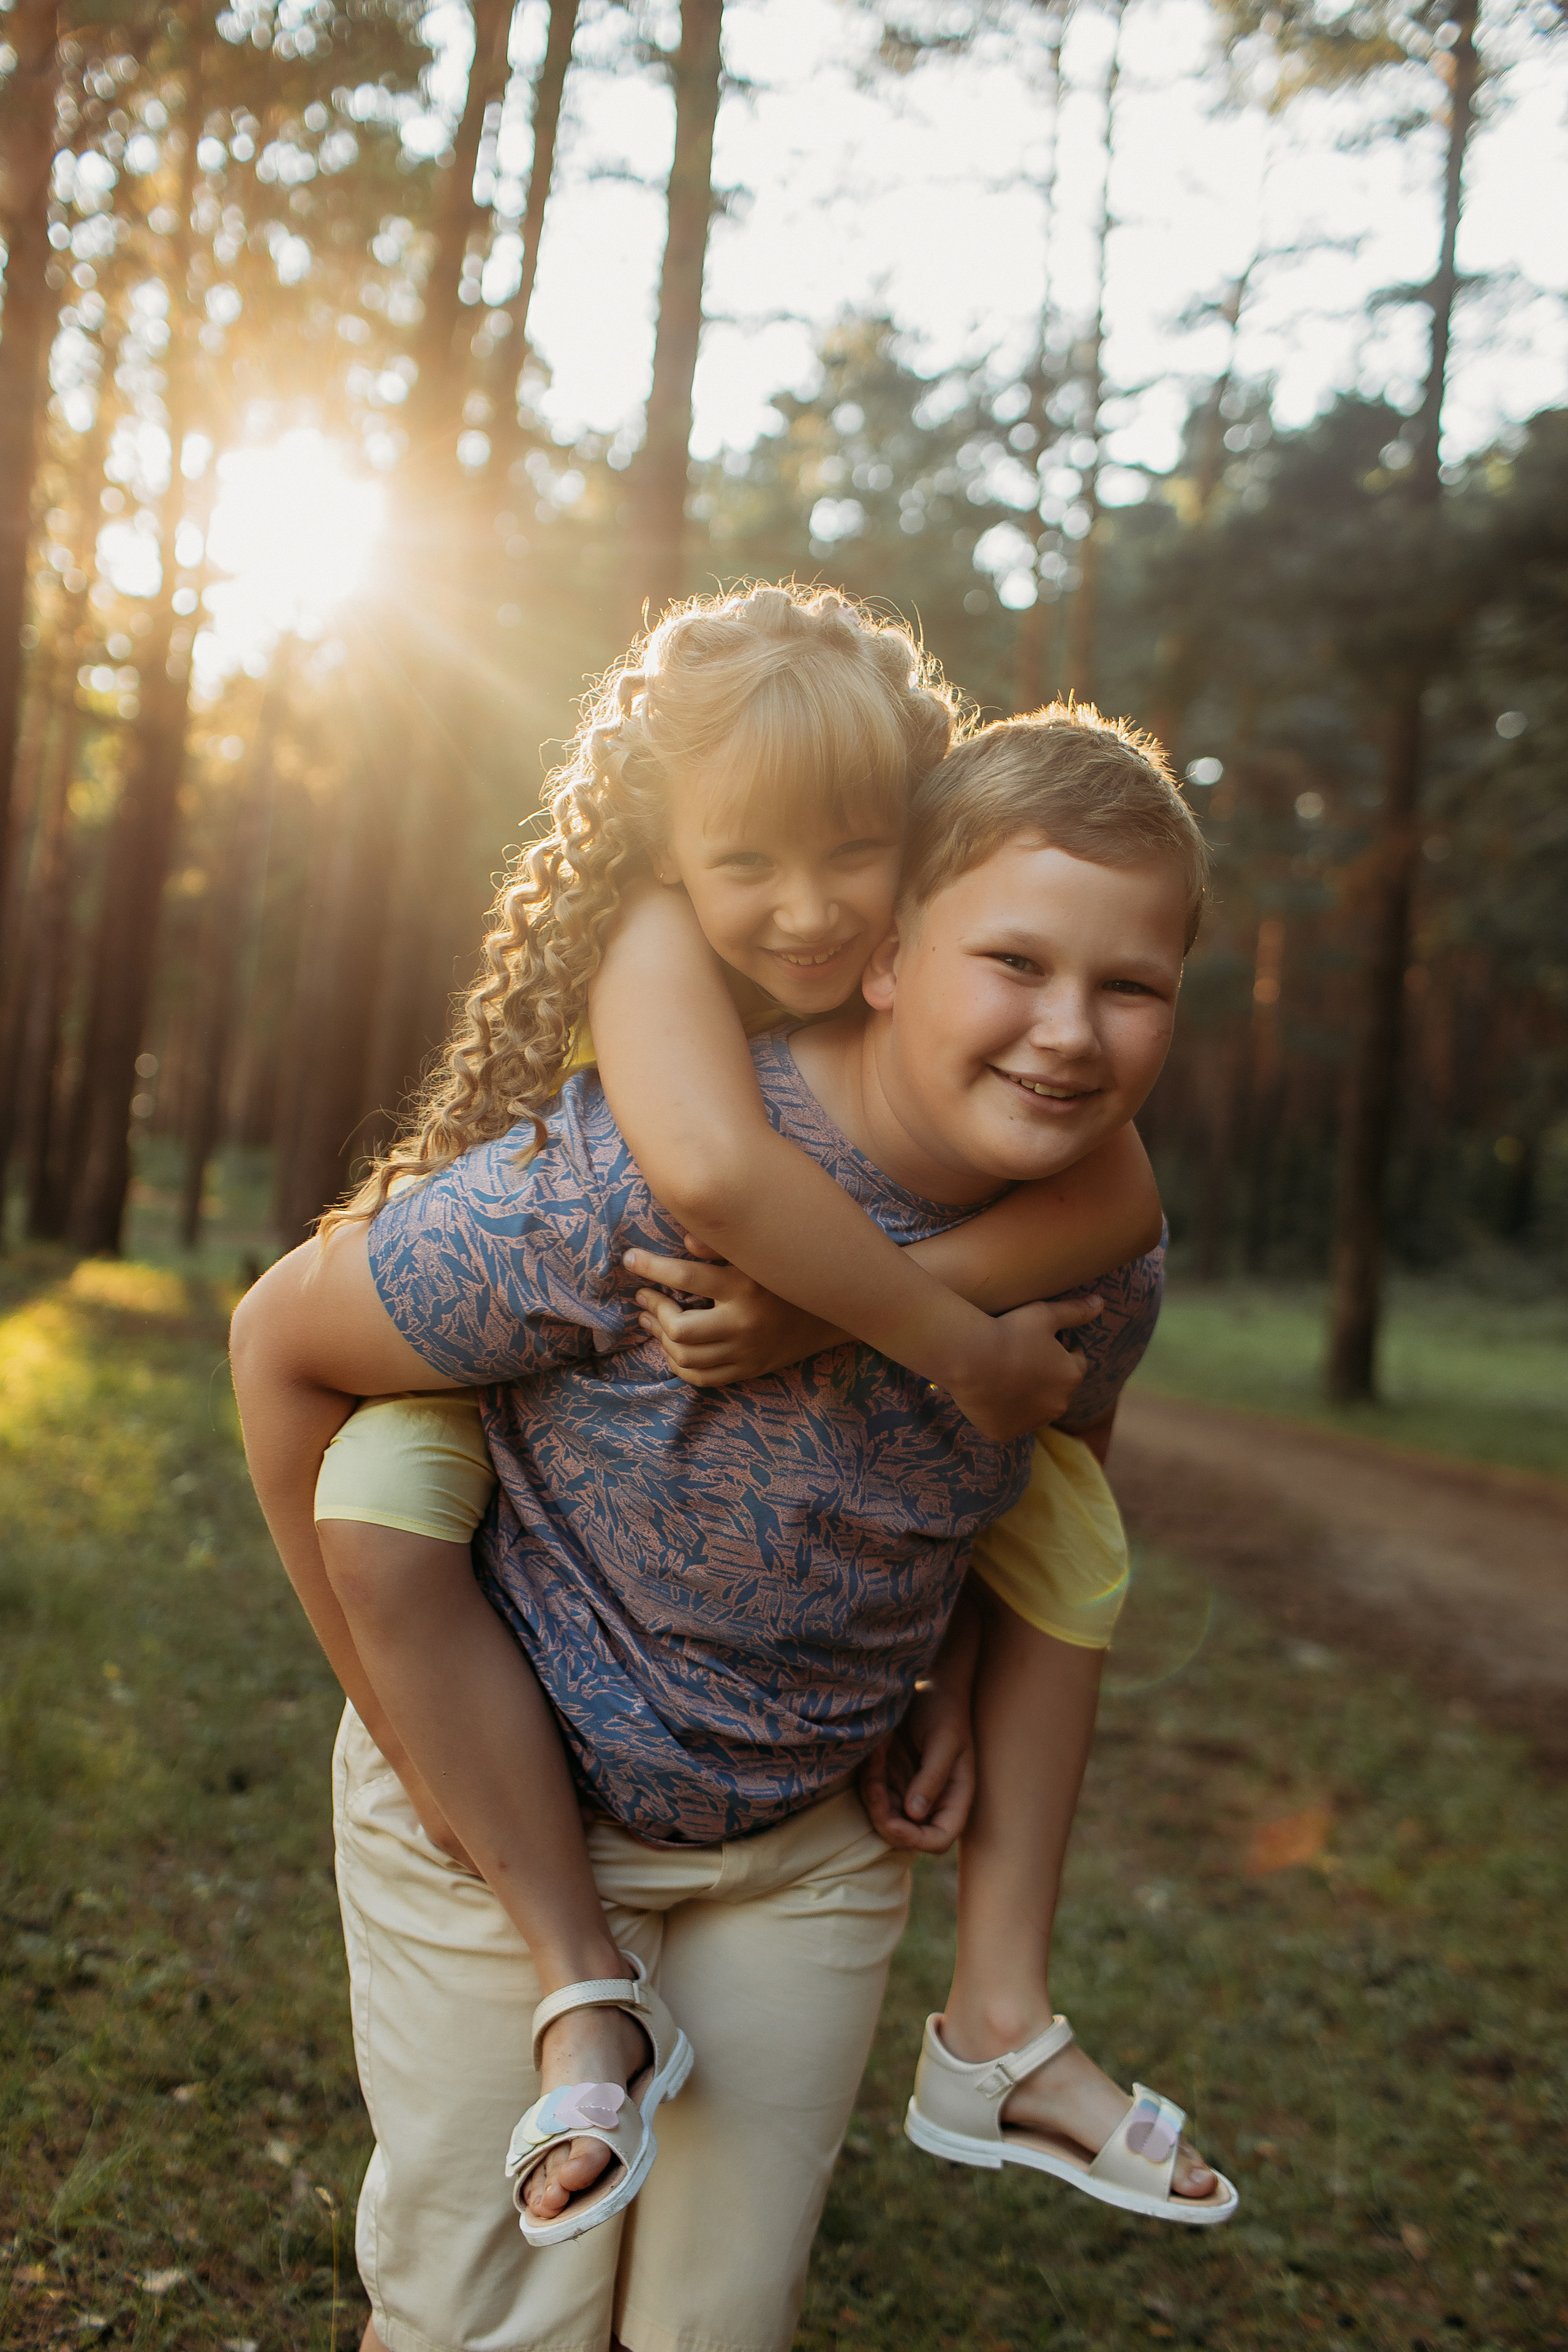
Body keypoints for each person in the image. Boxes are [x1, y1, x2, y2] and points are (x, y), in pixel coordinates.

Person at [232, 687, 1235, 2352]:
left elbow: (1065, 1455)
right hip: (512, 1819)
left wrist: (976, 1667)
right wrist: (400, 1728)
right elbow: (288, 1337)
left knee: (718, 2324)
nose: (1071, 1032)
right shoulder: (628, 1177)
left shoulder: (1100, 1247)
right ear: (888, 953)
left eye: (1130, 988)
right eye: (1017, 966)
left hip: (807, 1845)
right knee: (494, 2324)